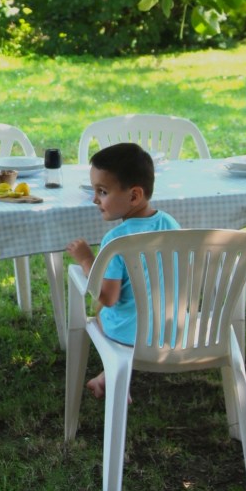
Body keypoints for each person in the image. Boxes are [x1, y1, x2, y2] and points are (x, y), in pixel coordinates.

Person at [66, 142, 180, 398]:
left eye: (102, 191)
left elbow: (108, 297)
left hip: (131, 336)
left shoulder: (117, 240)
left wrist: (87, 261)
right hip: (171, 328)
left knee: (100, 312)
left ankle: (115, 375)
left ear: (134, 196)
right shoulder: (170, 223)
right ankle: (108, 378)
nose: (95, 199)